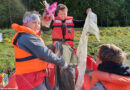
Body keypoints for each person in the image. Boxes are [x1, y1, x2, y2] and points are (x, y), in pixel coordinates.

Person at [11, 11, 67, 90]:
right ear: (25, 23)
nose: (37, 25)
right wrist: (62, 62)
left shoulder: (28, 35)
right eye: (34, 22)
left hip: (36, 76)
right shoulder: (27, 37)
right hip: (29, 79)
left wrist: (49, 47)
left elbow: (35, 50)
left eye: (38, 23)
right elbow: (44, 53)